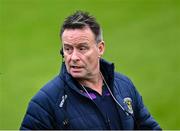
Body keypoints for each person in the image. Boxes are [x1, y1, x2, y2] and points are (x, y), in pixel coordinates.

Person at [20, 11, 161, 130]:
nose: (73, 57)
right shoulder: (45, 103)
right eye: (68, 49)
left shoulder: (124, 86)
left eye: (82, 48)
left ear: (100, 49)